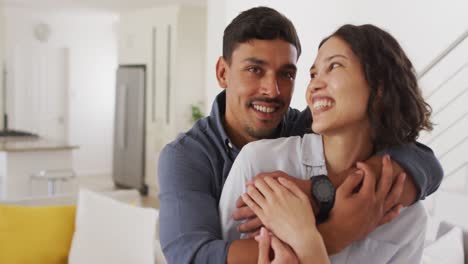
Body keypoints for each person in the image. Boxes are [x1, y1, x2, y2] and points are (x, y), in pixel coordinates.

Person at [158, 7, 443, 264]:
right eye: (254, 70)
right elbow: (193, 257)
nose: (273, 90)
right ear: (223, 72)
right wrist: (332, 234)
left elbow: (423, 161)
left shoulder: (310, 124)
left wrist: (323, 190)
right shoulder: (187, 156)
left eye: (287, 74)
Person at [222, 24, 432, 263]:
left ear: (379, 86)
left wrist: (307, 239)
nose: (314, 85)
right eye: (313, 74)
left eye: (334, 66)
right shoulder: (260, 163)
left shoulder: (407, 215)